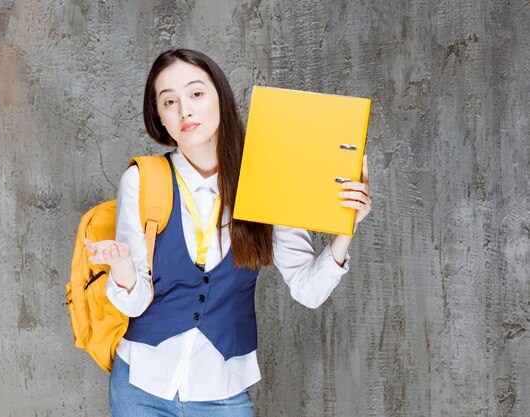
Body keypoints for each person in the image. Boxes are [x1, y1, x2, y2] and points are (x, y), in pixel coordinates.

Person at [84, 49, 372, 417]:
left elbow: (307, 289)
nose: (184, 110)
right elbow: (136, 302)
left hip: (223, 393)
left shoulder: (267, 177)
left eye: (196, 94)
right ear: (159, 116)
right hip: (140, 385)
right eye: (169, 101)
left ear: (220, 95)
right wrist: (122, 266)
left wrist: (346, 229)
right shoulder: (143, 179)